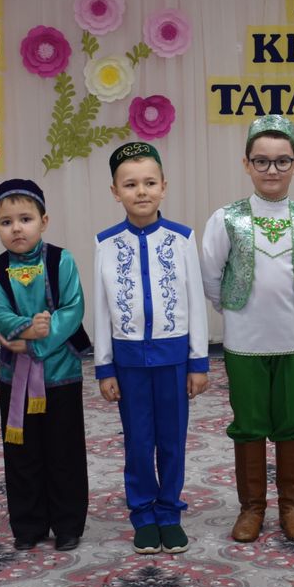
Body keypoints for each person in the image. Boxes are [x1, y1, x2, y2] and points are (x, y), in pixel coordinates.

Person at [201, 114, 294, 543]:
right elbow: (211, 275)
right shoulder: (226, 218)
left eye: (281, 161)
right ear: (246, 164)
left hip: (292, 339)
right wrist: (235, 310)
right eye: (262, 161)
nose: (272, 170)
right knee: (249, 423)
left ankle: (291, 505)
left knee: (291, 421)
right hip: (244, 341)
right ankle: (252, 507)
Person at [92, 141, 210, 555]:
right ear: (115, 191)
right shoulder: (106, 243)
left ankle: (169, 512)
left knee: (172, 439)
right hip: (128, 362)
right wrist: (105, 367)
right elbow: (102, 307)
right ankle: (143, 514)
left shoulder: (182, 238)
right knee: (138, 440)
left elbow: (195, 300)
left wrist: (198, 361)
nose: (141, 191)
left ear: (164, 186)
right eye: (130, 184)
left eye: (149, 182)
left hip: (173, 358)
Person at [0, 178, 90, 551]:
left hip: (62, 375)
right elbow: (0, 314)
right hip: (15, 377)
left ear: (43, 221)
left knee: (64, 451)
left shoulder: (62, 261)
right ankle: (28, 524)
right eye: (7, 222)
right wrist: (28, 328)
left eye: (25, 219)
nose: (17, 228)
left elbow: (72, 309)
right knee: (22, 452)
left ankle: (68, 523)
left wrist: (35, 342)